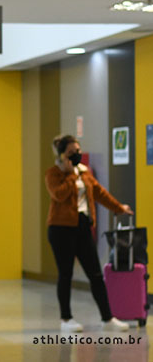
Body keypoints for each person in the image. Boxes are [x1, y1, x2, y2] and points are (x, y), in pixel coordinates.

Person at [46, 134, 134, 332]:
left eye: (78, 151)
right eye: (71, 152)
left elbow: (100, 193)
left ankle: (107, 318)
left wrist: (119, 207)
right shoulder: (54, 174)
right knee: (66, 274)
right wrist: (70, 173)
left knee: (95, 274)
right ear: (62, 155)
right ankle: (66, 319)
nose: (76, 154)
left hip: (83, 226)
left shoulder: (84, 173)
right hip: (61, 229)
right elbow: (58, 194)